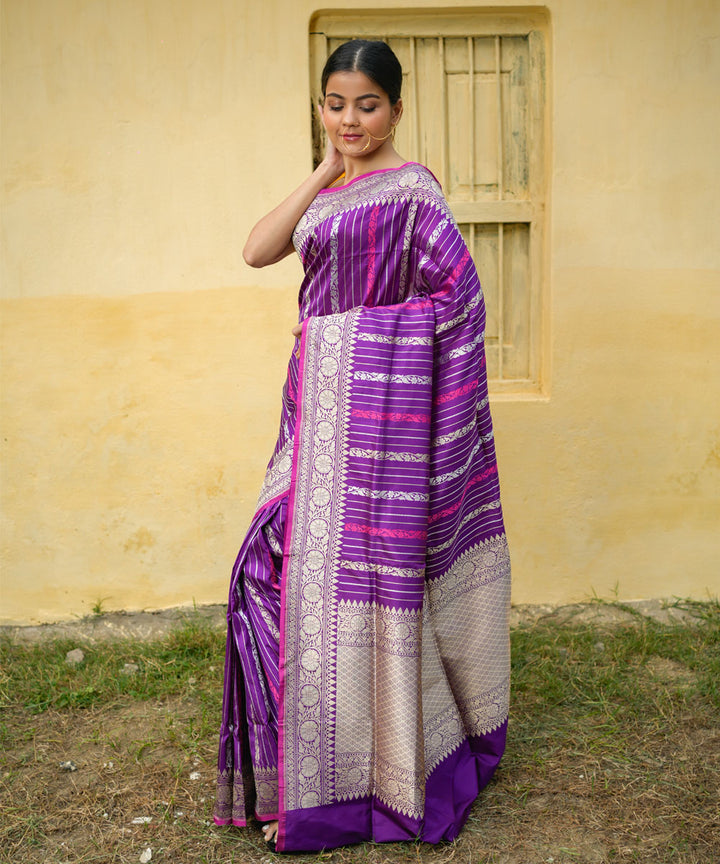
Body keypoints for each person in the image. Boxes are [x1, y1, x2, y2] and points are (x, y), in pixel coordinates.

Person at [214, 39, 511, 853]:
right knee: (269, 578)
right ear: (321, 108)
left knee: (367, 599)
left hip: (383, 434)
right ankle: (300, 777)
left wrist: (352, 342)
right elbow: (255, 250)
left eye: (368, 105)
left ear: (397, 110)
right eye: (336, 103)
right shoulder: (326, 195)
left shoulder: (415, 194)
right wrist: (323, 168)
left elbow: (460, 304)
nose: (351, 119)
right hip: (313, 422)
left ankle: (354, 786)